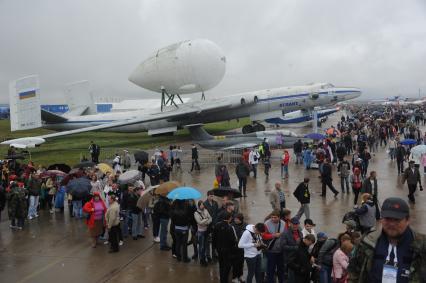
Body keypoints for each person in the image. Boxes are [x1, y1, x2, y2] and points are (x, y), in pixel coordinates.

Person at [348, 197, 426, 282]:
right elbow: (354, 273)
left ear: (407, 220)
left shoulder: (422, 246)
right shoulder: (367, 242)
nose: (392, 224)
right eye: (388, 218)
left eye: (397, 220)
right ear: (381, 219)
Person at [213, 211, 239, 283]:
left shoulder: (217, 225)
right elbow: (233, 241)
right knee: (227, 267)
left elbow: (213, 238)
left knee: (221, 265)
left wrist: (215, 248)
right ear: (229, 218)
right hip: (227, 251)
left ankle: (222, 280)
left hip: (219, 249)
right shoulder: (230, 227)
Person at [263, 210, 286, 283]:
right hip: (271, 251)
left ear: (279, 217)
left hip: (281, 251)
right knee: (270, 270)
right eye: (272, 217)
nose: (273, 219)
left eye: (275, 217)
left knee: (281, 270)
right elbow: (263, 236)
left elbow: (285, 234)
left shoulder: (283, 223)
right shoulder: (266, 223)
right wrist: (273, 235)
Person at [281, 217, 303, 283]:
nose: (295, 225)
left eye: (297, 224)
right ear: (290, 224)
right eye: (294, 224)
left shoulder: (300, 233)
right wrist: (295, 247)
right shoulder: (285, 233)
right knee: (290, 279)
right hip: (289, 260)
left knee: (297, 278)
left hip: (298, 260)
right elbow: (283, 246)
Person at [194, 200, 212, 266]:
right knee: (201, 246)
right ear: (199, 206)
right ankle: (202, 259)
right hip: (201, 232)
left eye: (203, 205)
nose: (203, 206)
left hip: (206, 231)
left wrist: (206, 221)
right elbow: (199, 222)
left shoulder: (205, 210)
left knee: (206, 245)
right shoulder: (196, 213)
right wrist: (206, 219)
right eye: (201, 205)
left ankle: (206, 257)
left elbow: (211, 218)